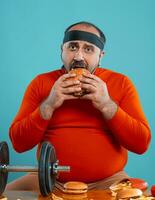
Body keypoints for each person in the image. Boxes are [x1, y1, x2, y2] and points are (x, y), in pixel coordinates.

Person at [6, 21, 151, 192]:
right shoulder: (40, 83)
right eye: (73, 47)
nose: (79, 57)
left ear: (101, 56)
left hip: (109, 181)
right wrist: (49, 105)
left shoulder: (121, 83)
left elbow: (141, 144)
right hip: (48, 179)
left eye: (88, 49)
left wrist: (107, 105)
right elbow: (18, 143)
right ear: (62, 50)